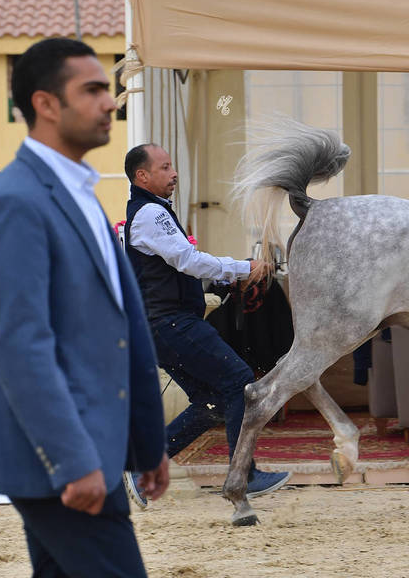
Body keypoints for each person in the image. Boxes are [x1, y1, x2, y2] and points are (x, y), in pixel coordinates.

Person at [0, 38, 168, 577]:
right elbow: (20, 346)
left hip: (90, 451)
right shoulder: (13, 201)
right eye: (94, 89)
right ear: (46, 104)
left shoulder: (80, 192)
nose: (111, 102)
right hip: (58, 460)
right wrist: (71, 459)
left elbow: (124, 331)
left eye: (109, 88)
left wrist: (147, 445)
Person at [122, 142, 290, 506]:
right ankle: (243, 475)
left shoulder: (150, 212)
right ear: (143, 176)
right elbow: (189, 261)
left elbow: (179, 268)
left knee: (212, 400)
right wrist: (244, 268)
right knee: (240, 382)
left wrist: (227, 278)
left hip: (160, 325)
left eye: (172, 166)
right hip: (168, 322)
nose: (174, 172)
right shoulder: (151, 214)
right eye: (165, 167)